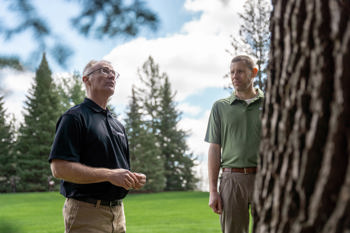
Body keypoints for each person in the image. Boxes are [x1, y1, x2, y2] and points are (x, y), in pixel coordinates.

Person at [49, 60, 146, 233]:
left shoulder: (117, 125)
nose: (111, 76)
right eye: (104, 70)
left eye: (114, 73)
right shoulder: (74, 117)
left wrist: (131, 179)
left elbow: (116, 170)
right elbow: (59, 168)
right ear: (86, 79)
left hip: (118, 213)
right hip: (86, 213)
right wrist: (109, 175)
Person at [205, 55, 264, 233]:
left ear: (253, 73)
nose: (234, 76)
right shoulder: (220, 107)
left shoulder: (271, 104)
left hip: (265, 178)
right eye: (231, 72)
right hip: (232, 180)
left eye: (240, 71)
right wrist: (213, 191)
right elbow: (214, 149)